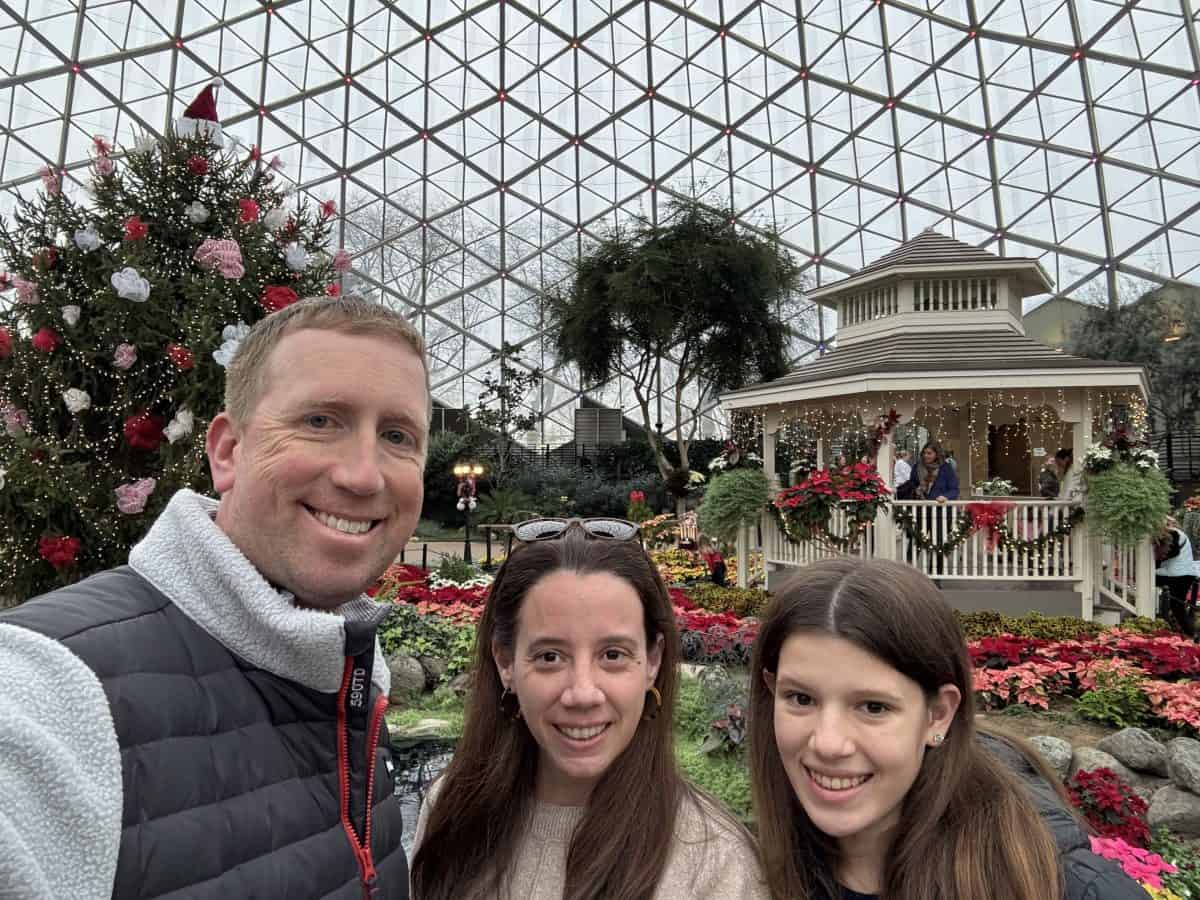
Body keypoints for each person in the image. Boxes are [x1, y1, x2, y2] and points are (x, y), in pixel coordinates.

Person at [0, 296, 429, 899]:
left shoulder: (349, 672)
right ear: (227, 452)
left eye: (396, 435)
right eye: (320, 421)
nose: (363, 475)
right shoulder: (56, 686)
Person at [747, 557, 1151, 900]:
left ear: (938, 715)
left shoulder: (1059, 884)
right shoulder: (751, 875)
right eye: (800, 699)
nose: (829, 743)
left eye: (873, 707)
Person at [410, 518, 767, 900]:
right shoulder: (451, 814)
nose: (582, 693)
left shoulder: (716, 866)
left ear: (653, 661)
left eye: (613, 655)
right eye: (550, 656)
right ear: (505, 662)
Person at [1155, 516, 1197, 638]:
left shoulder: (1173, 533)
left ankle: (1191, 633)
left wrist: (1156, 557)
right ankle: (1189, 632)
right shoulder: (1178, 533)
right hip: (1183, 574)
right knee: (1177, 605)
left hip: (1177, 574)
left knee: (1177, 606)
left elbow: (1172, 552)